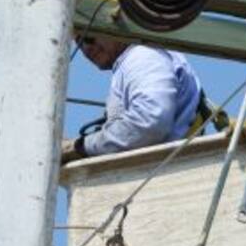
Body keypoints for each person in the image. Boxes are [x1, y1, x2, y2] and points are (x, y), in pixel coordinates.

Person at [63, 35, 224, 162]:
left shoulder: (141, 56)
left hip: (162, 176)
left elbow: (151, 121)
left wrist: (82, 147)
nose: (86, 48)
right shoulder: (137, 58)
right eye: (79, 42)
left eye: (89, 37)